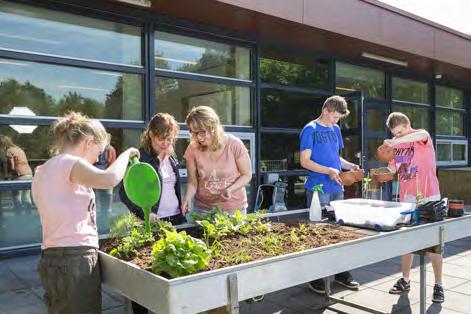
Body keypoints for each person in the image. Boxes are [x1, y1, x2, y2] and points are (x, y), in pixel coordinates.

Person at [31, 111, 139, 314]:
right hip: (74, 259)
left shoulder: (43, 170)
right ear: (88, 142)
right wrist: (128, 153)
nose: (97, 158)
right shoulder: (69, 163)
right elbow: (109, 179)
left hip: (52, 257)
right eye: (98, 152)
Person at [119, 113, 185, 314]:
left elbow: (172, 187)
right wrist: (144, 213)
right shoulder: (140, 158)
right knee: (146, 273)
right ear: (150, 135)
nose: (165, 143)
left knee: (172, 271)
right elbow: (125, 192)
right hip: (150, 222)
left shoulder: (171, 157)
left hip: (174, 219)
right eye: (160, 139)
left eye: (169, 139)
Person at [299, 95, 360, 294]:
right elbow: (305, 161)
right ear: (325, 109)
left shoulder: (335, 129)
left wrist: (348, 165)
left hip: (337, 187)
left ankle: (341, 273)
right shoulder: (310, 130)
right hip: (318, 189)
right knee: (317, 232)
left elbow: (335, 157)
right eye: (334, 117)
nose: (336, 121)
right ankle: (315, 277)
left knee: (339, 231)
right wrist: (328, 171)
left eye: (338, 119)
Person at [384, 112, 444, 303]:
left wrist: (396, 141)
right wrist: (375, 172)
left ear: (408, 125)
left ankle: (438, 285)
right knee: (406, 241)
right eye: (395, 134)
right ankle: (405, 279)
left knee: (434, 244)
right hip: (407, 198)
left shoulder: (422, 136)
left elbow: (421, 134)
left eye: (401, 132)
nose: (398, 136)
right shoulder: (398, 145)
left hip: (429, 196)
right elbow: (392, 169)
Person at [181, 106, 252, 217]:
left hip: (234, 210)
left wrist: (230, 190)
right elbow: (192, 182)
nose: (198, 138)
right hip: (204, 210)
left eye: (202, 132)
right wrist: (187, 198)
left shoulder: (234, 144)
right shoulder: (192, 149)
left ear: (213, 128)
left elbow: (246, 175)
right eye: (194, 133)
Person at [0, 135, 33, 210]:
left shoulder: (9, 151)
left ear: (3, 144)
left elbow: (12, 166)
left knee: (16, 196)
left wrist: (6, 174)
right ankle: (29, 215)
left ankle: (19, 215)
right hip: (29, 174)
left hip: (20, 175)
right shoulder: (19, 149)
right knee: (26, 196)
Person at [94, 138, 117, 213]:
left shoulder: (109, 149)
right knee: (105, 195)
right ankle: (105, 210)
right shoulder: (108, 149)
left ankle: (104, 210)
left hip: (102, 174)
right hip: (104, 174)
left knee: (104, 194)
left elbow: (111, 162)